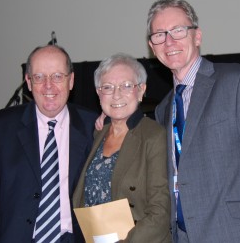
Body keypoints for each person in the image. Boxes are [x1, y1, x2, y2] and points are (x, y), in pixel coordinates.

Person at [97, 0, 240, 243]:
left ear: (197, 36)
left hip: (234, 234)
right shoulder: (163, 108)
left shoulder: (239, 82)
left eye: (178, 30)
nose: (169, 41)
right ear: (152, 46)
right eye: (160, 34)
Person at [0, 45, 98, 243]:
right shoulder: (1, 127)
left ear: (71, 80)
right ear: (28, 82)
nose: (49, 86)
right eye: (39, 77)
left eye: (58, 76)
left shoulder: (94, 126)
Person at [73, 53, 171, 242]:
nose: (116, 94)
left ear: (141, 90)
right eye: (108, 87)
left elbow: (160, 211)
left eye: (126, 86)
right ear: (98, 93)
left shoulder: (154, 136)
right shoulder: (96, 133)